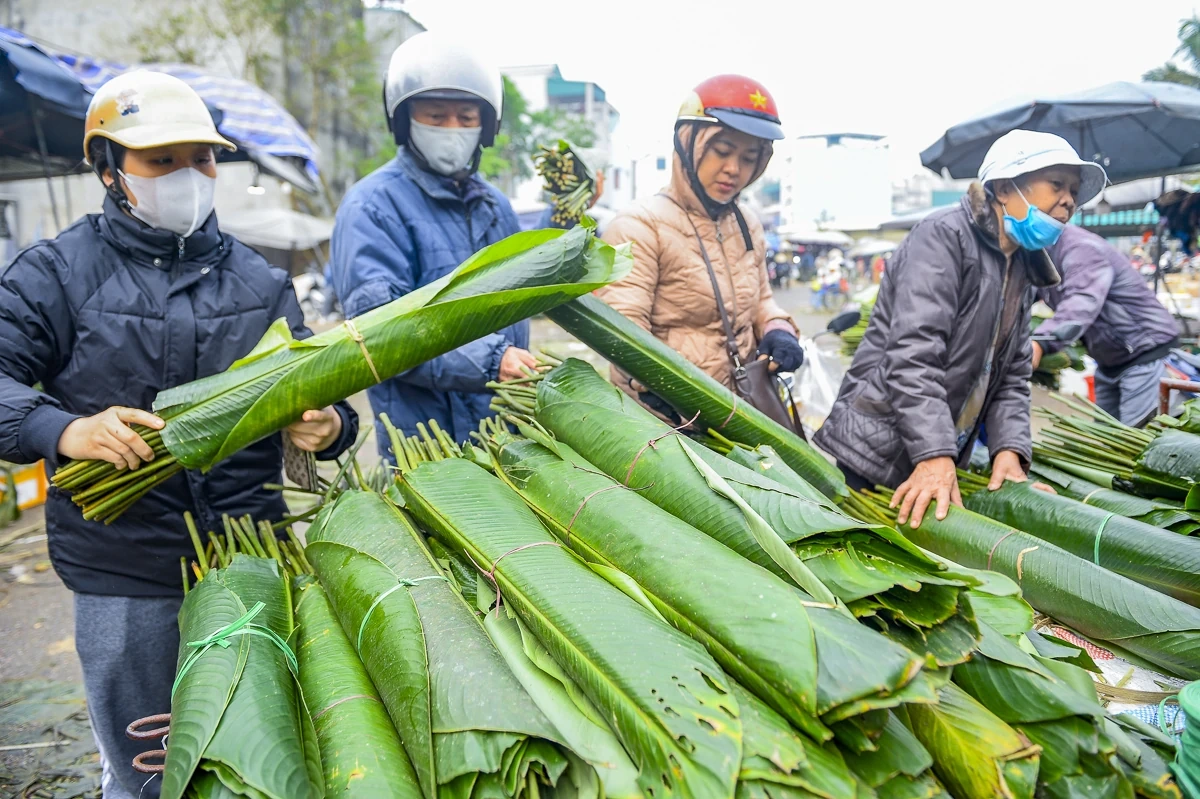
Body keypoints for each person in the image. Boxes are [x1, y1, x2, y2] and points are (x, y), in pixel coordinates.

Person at [0, 71, 358, 798]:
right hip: (122, 571)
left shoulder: (261, 282)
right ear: (108, 169)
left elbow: (327, 398)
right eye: (160, 161)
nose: (188, 176)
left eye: (200, 158)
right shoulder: (57, 273)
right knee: (143, 771)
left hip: (247, 559)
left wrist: (327, 424)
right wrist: (65, 430)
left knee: (250, 759)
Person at [814, 130, 1107, 528]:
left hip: (939, 450)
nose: (1069, 201)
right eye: (1057, 184)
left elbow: (1012, 376)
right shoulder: (943, 238)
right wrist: (934, 455)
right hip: (881, 448)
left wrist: (1009, 450)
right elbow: (915, 356)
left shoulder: (1022, 264)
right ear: (1005, 189)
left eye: (1073, 190)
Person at [329, 32, 536, 450]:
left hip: (506, 437)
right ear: (405, 120)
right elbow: (382, 330)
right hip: (428, 449)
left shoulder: (496, 205)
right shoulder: (372, 206)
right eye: (436, 116)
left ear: (487, 124)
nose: (452, 129)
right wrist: (494, 361)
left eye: (465, 116)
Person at [598, 75, 804, 411]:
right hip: (664, 421)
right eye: (721, 151)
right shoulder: (639, 225)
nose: (733, 169)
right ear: (689, 142)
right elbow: (622, 328)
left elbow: (762, 299)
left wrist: (778, 329)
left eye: (749, 158)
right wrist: (656, 381)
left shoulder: (747, 223)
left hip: (742, 411)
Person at [1035, 225, 1179, 426]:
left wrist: (1040, 343)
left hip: (1144, 354)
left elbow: (1082, 302)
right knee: (1109, 438)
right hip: (1109, 361)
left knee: (1136, 440)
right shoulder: (1037, 254)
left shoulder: (1081, 248)